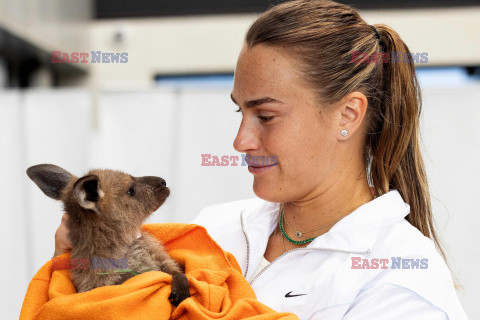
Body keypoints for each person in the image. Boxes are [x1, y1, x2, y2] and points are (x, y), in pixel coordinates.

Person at [54, 0, 469, 319]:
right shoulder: (214, 228)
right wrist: (84, 265)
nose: (241, 141)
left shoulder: (401, 282)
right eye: (241, 112)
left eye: (266, 116)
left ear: (348, 114)